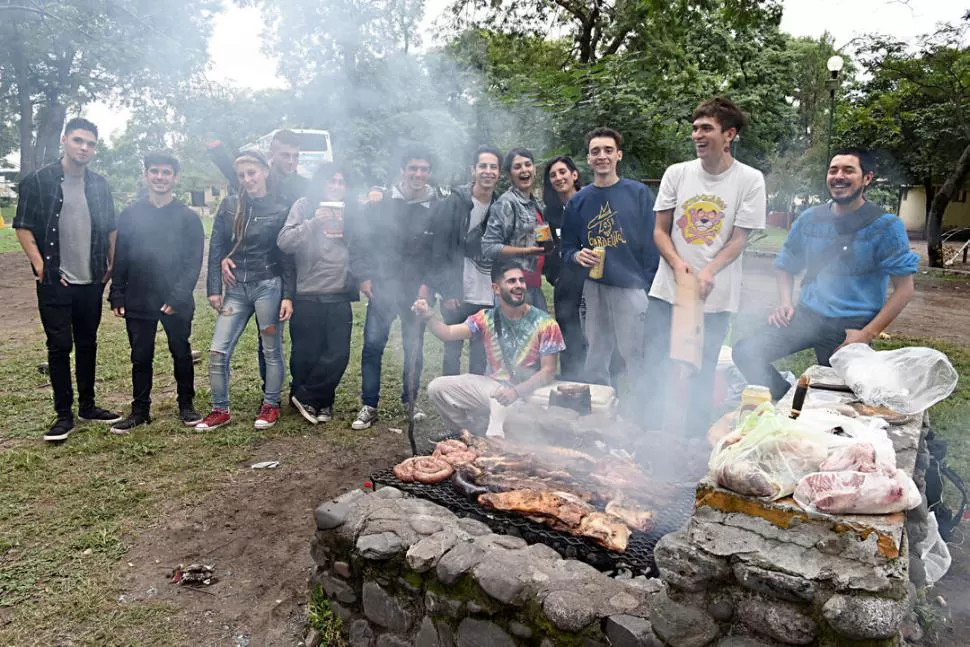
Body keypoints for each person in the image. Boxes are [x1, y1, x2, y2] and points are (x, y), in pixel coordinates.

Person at [732, 148, 919, 399]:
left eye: (848, 170)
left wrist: (866, 334)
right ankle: (785, 401)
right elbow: (786, 265)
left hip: (851, 328)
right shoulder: (810, 219)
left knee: (845, 398)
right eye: (833, 170)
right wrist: (785, 303)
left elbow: (904, 290)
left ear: (867, 178)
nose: (838, 176)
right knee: (746, 352)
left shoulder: (886, 227)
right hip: (807, 317)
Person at [644, 97, 767, 435]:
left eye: (706, 129)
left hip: (715, 298)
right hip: (668, 292)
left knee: (700, 372)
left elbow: (739, 239)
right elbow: (659, 231)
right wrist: (679, 266)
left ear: (729, 135)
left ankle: (692, 444)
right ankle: (649, 439)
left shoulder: (750, 180)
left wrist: (709, 271)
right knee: (654, 367)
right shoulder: (677, 173)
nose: (697, 135)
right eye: (695, 128)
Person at [13, 117, 122, 442]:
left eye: (89, 143)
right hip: (55, 280)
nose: (84, 148)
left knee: (88, 343)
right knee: (59, 346)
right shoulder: (39, 181)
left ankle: (88, 406)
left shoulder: (99, 184)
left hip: (91, 279)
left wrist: (112, 266)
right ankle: (64, 414)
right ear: (64, 140)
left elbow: (111, 228)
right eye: (78, 141)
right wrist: (40, 266)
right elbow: (22, 225)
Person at [196, 150, 295, 431]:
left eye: (252, 173)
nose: (247, 179)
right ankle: (219, 409)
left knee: (271, 349)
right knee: (218, 350)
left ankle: (271, 405)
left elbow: (287, 256)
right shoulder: (229, 206)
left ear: (264, 171)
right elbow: (216, 246)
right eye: (242, 175)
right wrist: (214, 289)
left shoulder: (280, 207)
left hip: (268, 287)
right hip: (235, 289)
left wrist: (288, 295)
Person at [108, 151, 205, 433]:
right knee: (140, 356)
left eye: (166, 172)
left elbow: (192, 262)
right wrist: (117, 292)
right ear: (146, 175)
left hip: (175, 299)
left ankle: (186, 405)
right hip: (139, 297)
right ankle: (140, 411)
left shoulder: (188, 218)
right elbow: (121, 257)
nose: (160, 177)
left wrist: (178, 296)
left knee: (181, 351)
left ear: (175, 178)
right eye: (155, 171)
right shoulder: (130, 215)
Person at [415, 261, 564, 438]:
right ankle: (466, 432)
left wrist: (515, 392)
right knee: (437, 387)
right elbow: (448, 333)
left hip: (528, 394)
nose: (519, 286)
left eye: (521, 281)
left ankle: (494, 440)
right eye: (512, 281)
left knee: (496, 425)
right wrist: (428, 316)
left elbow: (548, 371)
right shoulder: (485, 318)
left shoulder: (545, 323)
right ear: (496, 288)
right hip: (493, 388)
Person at [560, 127, 659, 389]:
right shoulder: (578, 202)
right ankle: (599, 407)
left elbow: (652, 243)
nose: (601, 155)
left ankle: (642, 410)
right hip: (594, 287)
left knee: (635, 352)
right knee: (596, 353)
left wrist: (647, 285)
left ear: (619, 155)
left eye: (607, 150)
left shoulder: (637, 193)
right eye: (595, 151)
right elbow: (567, 247)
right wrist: (577, 255)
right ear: (589, 159)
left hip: (631, 287)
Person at [352, 146, 439, 430]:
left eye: (424, 169)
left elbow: (437, 252)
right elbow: (361, 241)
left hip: (416, 289)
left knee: (414, 346)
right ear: (403, 170)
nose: (418, 174)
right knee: (373, 344)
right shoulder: (381, 203)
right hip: (383, 284)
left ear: (429, 173)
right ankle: (369, 404)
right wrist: (364, 277)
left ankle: (410, 401)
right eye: (413, 168)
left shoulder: (435, 205)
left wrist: (428, 284)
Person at [277, 162, 362, 425]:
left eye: (341, 182)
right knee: (306, 352)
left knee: (338, 352)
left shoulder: (353, 210)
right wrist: (315, 222)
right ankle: (313, 400)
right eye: (331, 181)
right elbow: (284, 242)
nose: (336, 186)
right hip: (308, 292)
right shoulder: (305, 205)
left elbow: (370, 238)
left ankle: (312, 397)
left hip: (339, 291)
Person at [428, 145, 502, 376]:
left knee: (481, 352)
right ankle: (451, 404)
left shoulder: (501, 205)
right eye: (483, 166)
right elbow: (439, 248)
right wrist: (448, 290)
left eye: (493, 167)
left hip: (487, 292)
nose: (487, 171)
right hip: (458, 290)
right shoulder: (455, 202)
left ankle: (474, 405)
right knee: (453, 350)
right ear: (473, 170)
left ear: (499, 173)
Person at [481, 148, 549, 310]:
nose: (524, 170)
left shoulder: (536, 203)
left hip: (534, 286)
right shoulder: (506, 203)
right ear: (510, 174)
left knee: (541, 335)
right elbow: (488, 247)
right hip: (513, 291)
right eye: (517, 167)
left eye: (528, 164)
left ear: (534, 169)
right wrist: (526, 251)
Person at [542, 156, 586, 379]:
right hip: (566, 286)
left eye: (562, 172)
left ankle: (601, 387)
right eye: (553, 175)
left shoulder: (593, 202)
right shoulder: (549, 213)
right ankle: (571, 383)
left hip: (595, 283)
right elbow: (545, 249)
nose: (558, 178)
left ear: (574, 174)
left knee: (597, 336)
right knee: (569, 335)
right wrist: (555, 277)